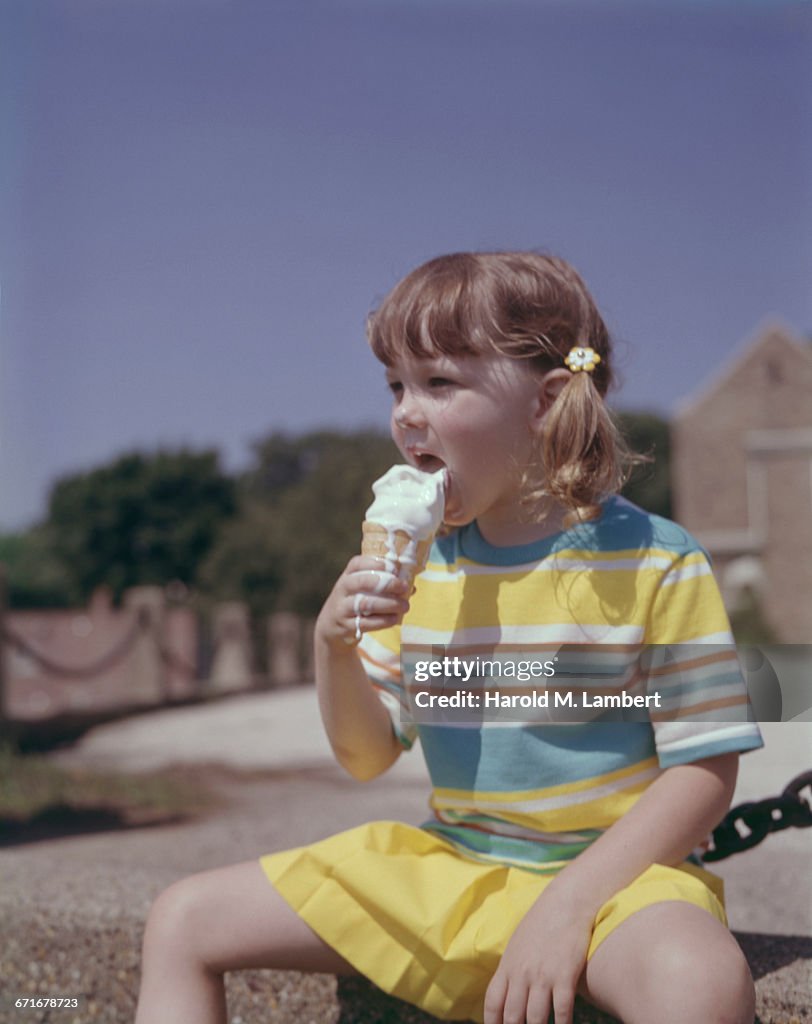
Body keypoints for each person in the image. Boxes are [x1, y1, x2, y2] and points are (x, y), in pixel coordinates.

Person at [135, 251, 763, 1024]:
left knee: (697, 980)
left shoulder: (658, 561)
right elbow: (366, 756)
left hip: (615, 886)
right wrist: (333, 649)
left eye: (439, 383)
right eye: (396, 385)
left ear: (547, 401)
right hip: (456, 869)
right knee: (182, 920)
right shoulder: (420, 571)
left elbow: (703, 775)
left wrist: (567, 908)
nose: (405, 412)